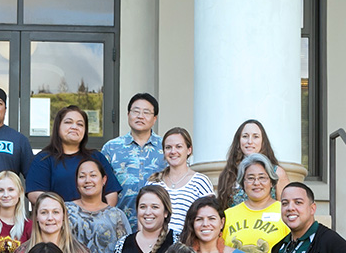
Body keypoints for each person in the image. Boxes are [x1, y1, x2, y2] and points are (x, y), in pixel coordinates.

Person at [26, 105, 120, 206]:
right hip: (57, 219)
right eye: (68, 122)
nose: (74, 127)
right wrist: (62, 212)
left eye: (80, 124)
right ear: (58, 126)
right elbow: (35, 194)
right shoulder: (44, 159)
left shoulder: (97, 157)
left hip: (95, 219)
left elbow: (111, 193)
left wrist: (105, 214)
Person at [222, 153, 289, 253]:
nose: (256, 183)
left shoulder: (284, 212)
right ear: (243, 183)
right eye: (250, 178)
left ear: (272, 182)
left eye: (262, 178)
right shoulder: (228, 215)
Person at [101, 93, 167, 228]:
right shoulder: (111, 148)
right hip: (119, 225)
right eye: (135, 111)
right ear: (128, 115)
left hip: (158, 227)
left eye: (146, 112)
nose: (140, 116)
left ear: (154, 119)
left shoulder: (166, 147)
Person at [146, 128, 214, 236]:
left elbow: (210, 217)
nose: (173, 151)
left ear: (189, 150)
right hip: (157, 246)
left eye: (179, 147)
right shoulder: (154, 182)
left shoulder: (200, 182)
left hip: (187, 246)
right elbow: (143, 219)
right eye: (168, 147)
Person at [215, 119, 290, 210]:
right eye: (245, 136)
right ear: (238, 141)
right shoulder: (228, 174)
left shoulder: (277, 173)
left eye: (255, 136)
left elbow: (287, 207)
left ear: (263, 142)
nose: (250, 141)